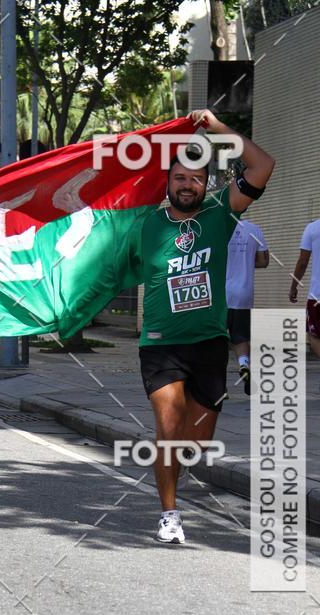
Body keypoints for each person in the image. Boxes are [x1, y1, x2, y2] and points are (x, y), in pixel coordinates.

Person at [137, 109, 274, 545]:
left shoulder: (221, 213)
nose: (186, 184)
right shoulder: (146, 224)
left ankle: (178, 479)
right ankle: (169, 514)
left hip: (210, 343)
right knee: (168, 428)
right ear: (168, 183)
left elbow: (263, 165)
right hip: (160, 344)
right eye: (179, 177)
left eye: (195, 178)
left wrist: (216, 129)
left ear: (206, 185)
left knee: (195, 447)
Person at [225, 218, 269, 394]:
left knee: (217, 339)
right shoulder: (254, 229)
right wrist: (246, 262)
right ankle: (244, 364)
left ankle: (218, 384)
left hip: (220, 294)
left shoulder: (219, 227)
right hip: (244, 292)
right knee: (241, 336)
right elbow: (264, 261)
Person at [289, 218, 320, 355]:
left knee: (314, 336)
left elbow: (303, 262)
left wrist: (293, 286)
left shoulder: (313, 228)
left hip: (317, 295)